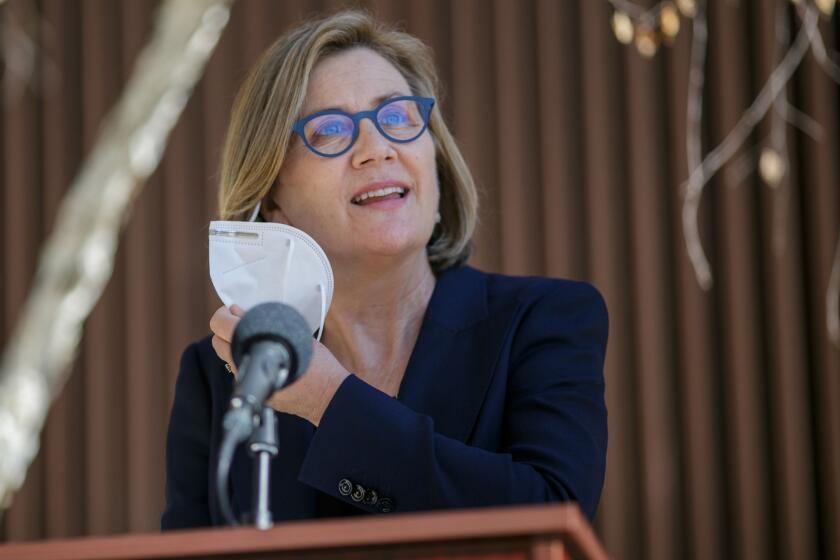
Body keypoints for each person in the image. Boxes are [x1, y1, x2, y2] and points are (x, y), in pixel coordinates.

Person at [161, 10, 608, 530]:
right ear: (272, 196)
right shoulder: (224, 375)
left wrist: (329, 402)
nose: (377, 150)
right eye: (330, 129)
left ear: (435, 160)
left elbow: (554, 513)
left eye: (397, 116)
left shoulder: (546, 320)